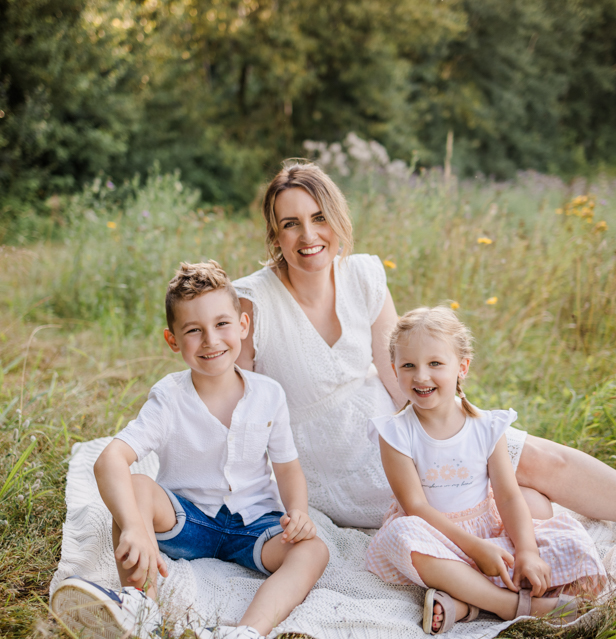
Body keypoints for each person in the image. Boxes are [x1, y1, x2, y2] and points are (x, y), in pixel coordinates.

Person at [234, 161, 616, 528]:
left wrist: (450, 437)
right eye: (291, 224)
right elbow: (234, 411)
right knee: (527, 500)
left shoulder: (363, 274)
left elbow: (400, 379)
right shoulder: (253, 301)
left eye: (319, 217)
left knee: (537, 462)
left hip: (401, 429)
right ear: (274, 234)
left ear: (337, 218)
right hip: (334, 468)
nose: (309, 235)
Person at [51, 260, 329, 639]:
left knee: (313, 551)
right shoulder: (169, 397)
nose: (211, 340)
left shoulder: (269, 394)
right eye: (194, 330)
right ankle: (140, 611)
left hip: (254, 526)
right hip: (188, 522)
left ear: (242, 325)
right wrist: (139, 529)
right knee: (137, 489)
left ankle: (245, 638)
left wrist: (297, 512)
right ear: (173, 340)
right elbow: (110, 459)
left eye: (221, 324)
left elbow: (288, 467)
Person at [365, 307, 606, 634]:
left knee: (568, 539)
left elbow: (507, 496)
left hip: (487, 528)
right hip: (436, 535)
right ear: (394, 370)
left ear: (461, 367)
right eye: (408, 365)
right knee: (401, 535)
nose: (421, 376)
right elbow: (416, 507)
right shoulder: (394, 433)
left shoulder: (486, 426)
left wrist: (527, 552)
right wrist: (475, 549)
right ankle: (513, 606)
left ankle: (468, 603)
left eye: (435, 363)